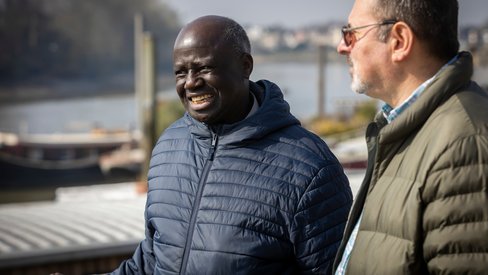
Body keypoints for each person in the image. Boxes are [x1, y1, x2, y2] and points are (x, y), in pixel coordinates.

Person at [113, 15, 353, 275]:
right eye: (181, 72)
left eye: (204, 68)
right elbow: (149, 263)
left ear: (245, 66)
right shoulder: (168, 146)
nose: (191, 83)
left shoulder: (311, 169)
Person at [332, 0, 488, 274]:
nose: (342, 47)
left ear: (400, 41)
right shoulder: (403, 127)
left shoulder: (469, 144)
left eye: (351, 34)